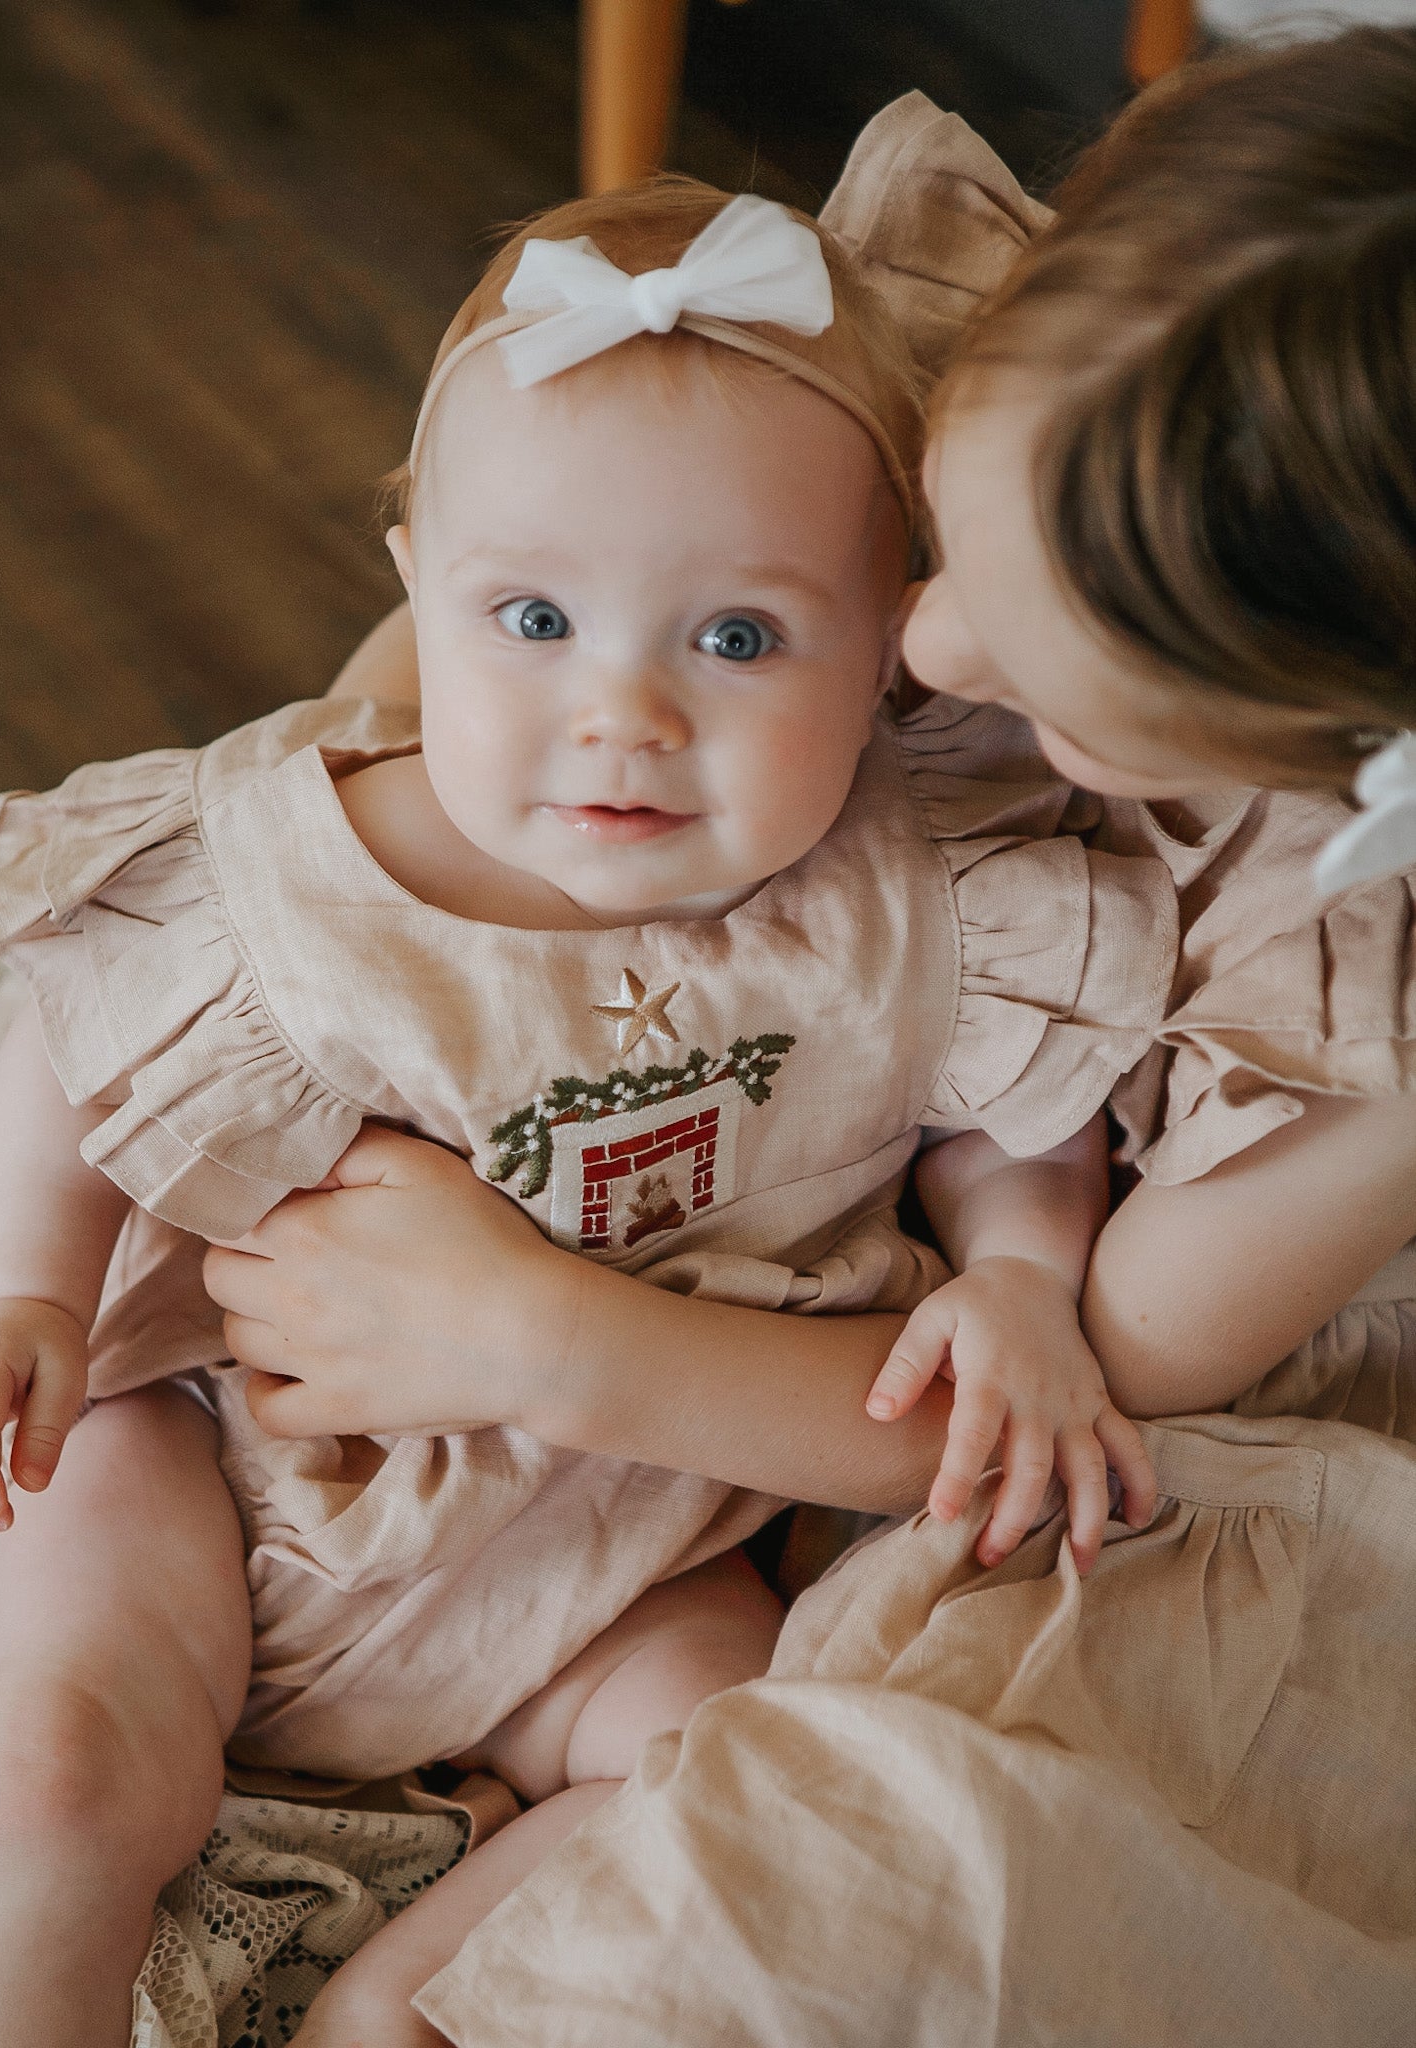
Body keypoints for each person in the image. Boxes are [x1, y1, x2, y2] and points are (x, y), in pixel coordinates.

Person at [197, 35, 1416, 2047]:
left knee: (887, 1873)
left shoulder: (1348, 969)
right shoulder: (1093, 350)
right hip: (792, 1159)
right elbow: (494, 607)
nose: (928, 657)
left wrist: (549, 1347)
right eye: (938, 552)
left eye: (1049, 680)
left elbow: (1094, 1372)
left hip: (1057, 1426)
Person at [0, 177, 1168, 2045]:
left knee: (716, 1757)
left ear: (892, 636)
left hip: (610, 1543)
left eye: (737, 640)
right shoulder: (287, 867)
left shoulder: (924, 905)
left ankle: (401, 2007)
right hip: (220, 1459)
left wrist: (1013, 1277)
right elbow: (78, 1052)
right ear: (417, 582)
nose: (623, 715)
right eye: (531, 617)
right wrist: (23, 1297)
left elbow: (1015, 1120)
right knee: (65, 1769)